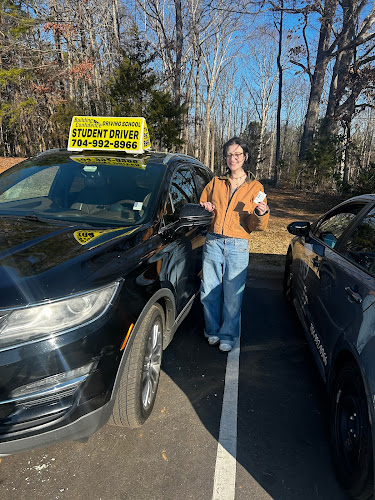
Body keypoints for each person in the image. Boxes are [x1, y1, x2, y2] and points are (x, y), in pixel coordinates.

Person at [200, 137, 269, 352]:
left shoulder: (255, 187)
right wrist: (206, 207)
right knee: (209, 290)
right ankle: (211, 330)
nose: (233, 158)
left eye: (237, 154)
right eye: (229, 154)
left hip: (238, 245)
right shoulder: (215, 182)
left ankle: (228, 334)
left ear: (245, 157)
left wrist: (261, 213)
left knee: (232, 294)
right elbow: (203, 207)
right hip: (213, 242)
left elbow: (255, 225)